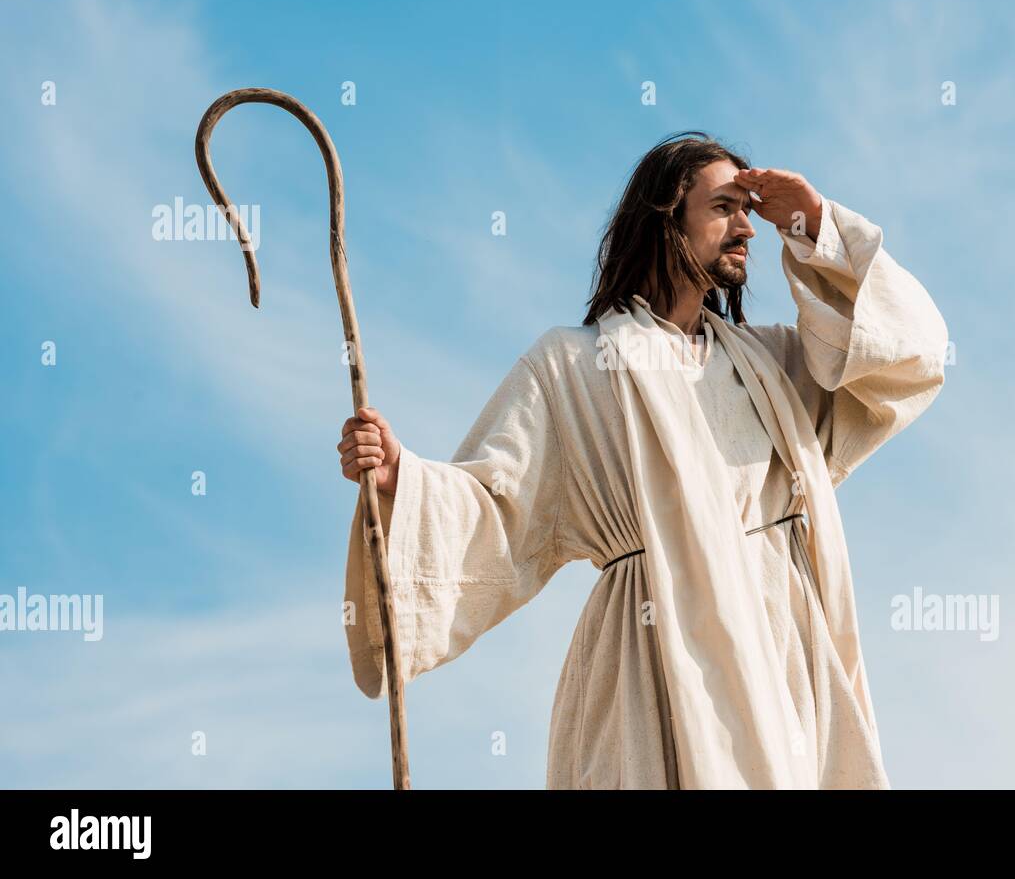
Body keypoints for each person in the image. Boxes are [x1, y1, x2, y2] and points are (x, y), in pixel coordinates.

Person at [338, 131, 948, 788]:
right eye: (724, 207)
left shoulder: (776, 368)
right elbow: (494, 504)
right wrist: (403, 475)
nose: (746, 226)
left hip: (784, 669)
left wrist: (815, 220)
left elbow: (907, 352)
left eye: (750, 208)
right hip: (650, 670)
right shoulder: (574, 367)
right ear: (666, 218)